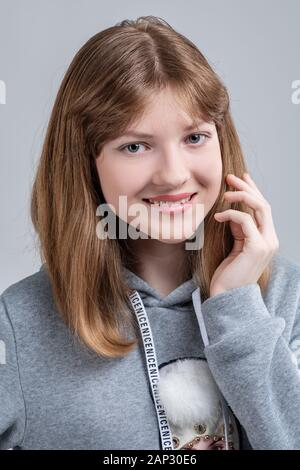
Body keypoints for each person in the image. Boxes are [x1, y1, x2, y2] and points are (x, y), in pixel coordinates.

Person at [1, 15, 300, 450]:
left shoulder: (284, 299)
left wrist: (238, 312)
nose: (174, 175)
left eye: (195, 137)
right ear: (87, 164)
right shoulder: (20, 325)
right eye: (134, 146)